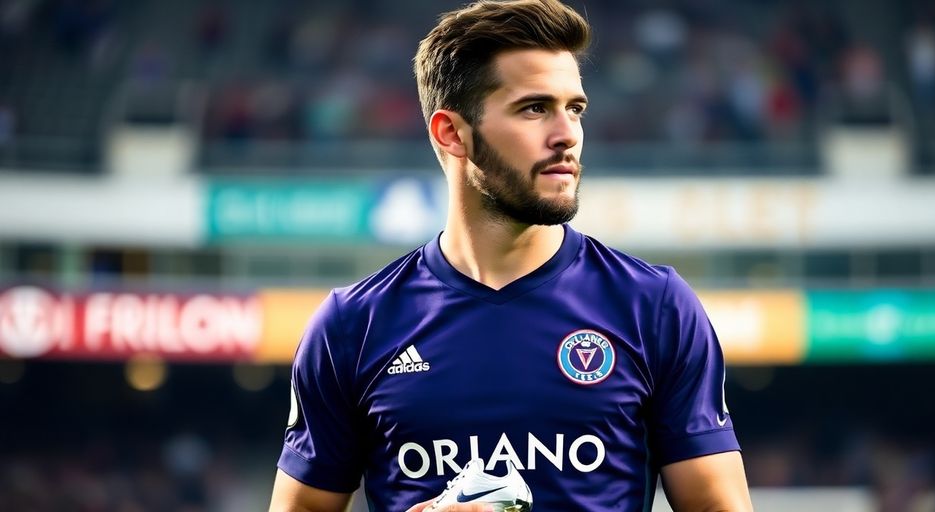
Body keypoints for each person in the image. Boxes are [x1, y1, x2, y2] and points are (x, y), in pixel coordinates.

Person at [269, 0, 753, 510]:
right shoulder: (352, 325)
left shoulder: (655, 306)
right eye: (534, 108)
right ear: (451, 133)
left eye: (575, 108)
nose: (567, 134)